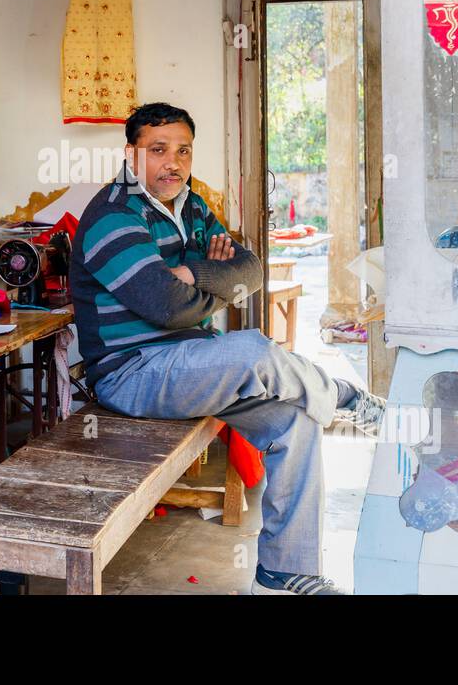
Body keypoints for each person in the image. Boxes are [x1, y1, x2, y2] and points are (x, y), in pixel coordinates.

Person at [69, 102, 387, 595]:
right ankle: (343, 399)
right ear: (131, 155)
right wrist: (208, 284)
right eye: (157, 150)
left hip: (192, 362)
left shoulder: (191, 207)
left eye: (183, 151)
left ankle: (283, 572)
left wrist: (193, 272)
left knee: (296, 424)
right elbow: (164, 306)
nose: (172, 162)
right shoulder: (112, 215)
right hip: (132, 375)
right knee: (252, 349)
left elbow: (251, 272)